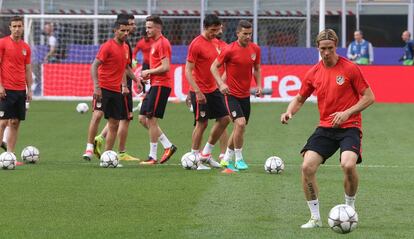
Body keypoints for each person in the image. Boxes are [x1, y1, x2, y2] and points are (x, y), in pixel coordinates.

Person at [280, 29, 375, 228]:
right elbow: (300, 98)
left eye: (330, 48)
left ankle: (350, 209)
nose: (326, 53)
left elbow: (369, 97)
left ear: (336, 47)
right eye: (323, 49)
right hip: (326, 127)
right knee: (306, 167)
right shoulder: (313, 72)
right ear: (318, 48)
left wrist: (347, 112)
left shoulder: (350, 68)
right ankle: (315, 217)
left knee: (348, 165)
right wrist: (289, 112)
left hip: (350, 126)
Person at [83, 18, 139, 161]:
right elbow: (94, 66)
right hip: (103, 88)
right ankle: (89, 149)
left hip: (117, 90)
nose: (126, 33)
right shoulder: (107, 46)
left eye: (127, 30)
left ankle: (107, 155)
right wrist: (96, 87)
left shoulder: (126, 47)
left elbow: (125, 67)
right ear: (115, 31)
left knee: (114, 123)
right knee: (97, 115)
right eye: (122, 30)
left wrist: (135, 80)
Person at [211, 20, 262, 171]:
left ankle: (226, 158)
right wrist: (221, 84)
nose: (248, 37)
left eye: (250, 34)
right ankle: (239, 159)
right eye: (245, 34)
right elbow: (213, 67)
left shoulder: (255, 49)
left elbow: (257, 68)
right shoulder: (229, 49)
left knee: (239, 128)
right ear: (237, 33)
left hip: (245, 95)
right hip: (230, 94)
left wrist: (258, 85)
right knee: (240, 124)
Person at [185, 14, 230, 170]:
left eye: (217, 30)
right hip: (201, 90)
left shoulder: (215, 42)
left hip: (213, 89)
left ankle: (206, 153)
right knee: (202, 124)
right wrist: (196, 92)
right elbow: (188, 70)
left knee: (224, 119)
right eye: (212, 30)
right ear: (205, 27)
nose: (215, 33)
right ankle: (194, 158)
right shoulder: (196, 44)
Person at [138, 15, 177, 165]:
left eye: (149, 27)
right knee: (142, 118)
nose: (146, 30)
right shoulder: (154, 43)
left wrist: (149, 72)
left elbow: (166, 67)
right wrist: (150, 75)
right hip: (155, 84)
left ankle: (152, 157)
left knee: (151, 119)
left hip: (161, 85)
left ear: (158, 28)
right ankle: (168, 146)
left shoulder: (162, 43)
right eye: (146, 27)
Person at [0, 16, 33, 166]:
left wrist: (29, 89)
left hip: (20, 90)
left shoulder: (26, 47)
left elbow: (27, 69)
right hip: (6, 89)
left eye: (19, 26)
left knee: (15, 123)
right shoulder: (2, 43)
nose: (17, 29)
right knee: (2, 123)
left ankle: (10, 155)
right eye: (14, 26)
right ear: (10, 28)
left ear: (23, 27)